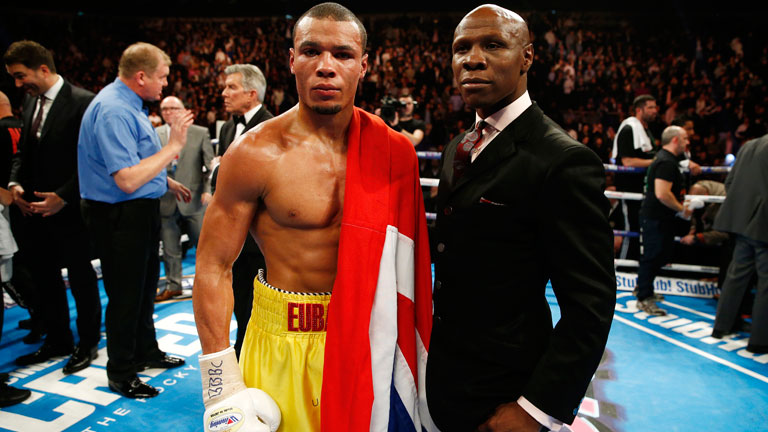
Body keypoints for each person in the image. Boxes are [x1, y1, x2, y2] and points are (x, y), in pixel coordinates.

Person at [193, 3, 433, 432]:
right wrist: (220, 386)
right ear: (291, 60)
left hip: (368, 339)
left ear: (363, 65)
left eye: (341, 54)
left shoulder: (394, 152)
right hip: (280, 341)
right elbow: (214, 265)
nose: (326, 67)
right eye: (311, 52)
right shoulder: (254, 153)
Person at [426, 5, 615, 432]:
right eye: (462, 48)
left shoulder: (563, 160)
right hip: (443, 382)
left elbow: (591, 304)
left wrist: (536, 408)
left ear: (527, 57)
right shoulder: (460, 145)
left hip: (509, 392)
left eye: (493, 45)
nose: (472, 58)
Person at [77, 42, 190, 399]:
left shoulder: (127, 104)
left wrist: (165, 180)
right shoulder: (113, 110)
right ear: (140, 76)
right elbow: (125, 178)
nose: (164, 85)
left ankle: (145, 351)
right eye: (161, 77)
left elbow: (137, 160)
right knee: (126, 296)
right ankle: (121, 372)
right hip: (120, 215)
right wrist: (173, 147)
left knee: (143, 291)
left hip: (138, 211)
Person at [3, 40, 102, 375]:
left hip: (71, 211)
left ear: (43, 69)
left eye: (20, 76)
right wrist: (15, 183)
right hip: (34, 212)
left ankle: (87, 342)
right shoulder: (30, 101)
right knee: (44, 279)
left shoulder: (84, 102)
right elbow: (23, 154)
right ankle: (58, 339)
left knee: (81, 277)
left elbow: (93, 160)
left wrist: (63, 196)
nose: (17, 84)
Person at [211, 64, 273, 357]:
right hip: (231, 232)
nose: (224, 93)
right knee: (236, 298)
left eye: (231, 87)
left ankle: (253, 354)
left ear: (251, 93)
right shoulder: (226, 127)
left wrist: (219, 172)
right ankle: (242, 345)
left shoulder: (272, 127)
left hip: (259, 237)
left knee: (259, 301)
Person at [712, 134, 768, 354]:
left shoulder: (749, 145)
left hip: (741, 220)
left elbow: (729, 182)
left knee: (736, 274)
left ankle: (721, 326)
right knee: (766, 283)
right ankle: (760, 340)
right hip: (763, 223)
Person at [155, 95, 213, 301]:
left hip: (195, 200)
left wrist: (208, 190)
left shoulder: (199, 132)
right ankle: (173, 285)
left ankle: (211, 285)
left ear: (182, 111)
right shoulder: (155, 134)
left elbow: (210, 167)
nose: (168, 112)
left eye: (173, 108)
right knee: (170, 249)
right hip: (166, 200)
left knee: (205, 248)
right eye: (164, 109)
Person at [635, 126, 693, 316]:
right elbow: (662, 193)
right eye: (685, 138)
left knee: (659, 254)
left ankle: (644, 289)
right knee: (653, 255)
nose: (688, 141)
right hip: (656, 217)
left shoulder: (665, 159)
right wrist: (682, 209)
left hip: (658, 217)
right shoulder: (666, 162)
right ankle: (644, 297)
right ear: (675, 140)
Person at [612, 94, 658, 260]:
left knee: (637, 228)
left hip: (640, 190)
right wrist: (656, 162)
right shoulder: (629, 129)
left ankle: (633, 266)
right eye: (651, 107)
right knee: (628, 228)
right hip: (627, 190)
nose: (655, 111)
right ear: (639, 110)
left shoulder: (645, 131)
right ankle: (624, 268)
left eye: (655, 107)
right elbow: (627, 161)